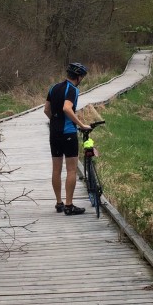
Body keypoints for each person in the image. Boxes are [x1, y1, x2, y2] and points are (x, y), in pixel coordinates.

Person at [44, 62, 91, 216]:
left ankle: (59, 203)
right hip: (68, 133)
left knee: (56, 170)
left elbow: (46, 110)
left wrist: (55, 122)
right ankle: (69, 206)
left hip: (54, 133)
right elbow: (67, 108)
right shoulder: (72, 89)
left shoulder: (53, 87)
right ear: (79, 77)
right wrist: (81, 124)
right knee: (71, 170)